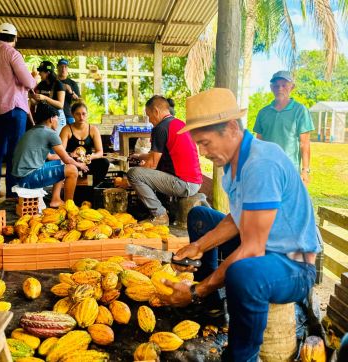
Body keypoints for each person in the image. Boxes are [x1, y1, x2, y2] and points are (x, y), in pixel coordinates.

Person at [158, 88, 320, 362]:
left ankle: (242, 355)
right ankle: (211, 306)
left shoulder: (261, 163)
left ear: (232, 127)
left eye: (206, 143)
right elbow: (237, 217)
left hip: (294, 266)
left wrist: (197, 291)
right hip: (264, 246)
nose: (202, 152)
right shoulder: (232, 164)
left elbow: (253, 249)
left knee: (243, 273)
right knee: (201, 217)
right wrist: (198, 246)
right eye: (198, 144)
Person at [0, 22, 36, 200]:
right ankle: (12, 191)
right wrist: (34, 79)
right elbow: (28, 83)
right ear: (15, 38)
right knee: (14, 151)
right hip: (14, 107)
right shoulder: (12, 53)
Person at [127, 95, 203, 226]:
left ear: (156, 111)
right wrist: (138, 156)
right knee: (142, 173)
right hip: (195, 182)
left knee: (133, 174)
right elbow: (156, 156)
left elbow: (152, 164)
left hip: (184, 184)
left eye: (149, 116)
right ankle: (164, 210)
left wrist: (135, 178)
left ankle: (160, 214)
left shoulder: (160, 128)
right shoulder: (178, 123)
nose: (150, 120)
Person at [12, 103, 85, 207]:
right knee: (72, 170)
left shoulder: (33, 131)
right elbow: (66, 160)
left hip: (20, 177)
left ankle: (56, 199)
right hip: (28, 178)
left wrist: (71, 155)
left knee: (59, 163)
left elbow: (51, 157)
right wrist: (80, 165)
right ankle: (69, 206)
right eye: (57, 118)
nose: (58, 122)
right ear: (51, 119)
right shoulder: (50, 133)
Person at [254, 70, 314, 185]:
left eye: (284, 85)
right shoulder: (263, 113)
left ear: (292, 87)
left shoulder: (300, 110)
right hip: (267, 168)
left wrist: (305, 170)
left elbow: (304, 143)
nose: (280, 88)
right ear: (271, 88)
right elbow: (259, 142)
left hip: (290, 169)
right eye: (276, 86)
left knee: (288, 201)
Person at [57, 101, 109, 189]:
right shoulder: (66, 129)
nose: (81, 117)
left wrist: (91, 157)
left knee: (104, 162)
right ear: (73, 114)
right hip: (71, 162)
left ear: (87, 114)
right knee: (63, 165)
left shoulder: (93, 129)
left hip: (87, 162)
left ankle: (90, 184)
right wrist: (72, 156)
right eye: (78, 114)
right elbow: (61, 152)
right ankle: (72, 184)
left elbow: (100, 152)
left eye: (84, 114)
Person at [30, 61, 66, 135]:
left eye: (41, 71)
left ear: (48, 73)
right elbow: (36, 102)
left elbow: (60, 105)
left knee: (55, 142)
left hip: (56, 117)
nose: (39, 73)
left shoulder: (58, 84)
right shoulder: (41, 84)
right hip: (44, 118)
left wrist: (44, 98)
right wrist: (31, 97)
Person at [57, 58, 80, 124]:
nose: (63, 69)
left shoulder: (72, 83)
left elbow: (78, 100)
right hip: (54, 115)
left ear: (68, 68)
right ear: (57, 67)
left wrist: (70, 91)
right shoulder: (53, 82)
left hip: (69, 115)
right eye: (61, 66)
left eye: (65, 67)